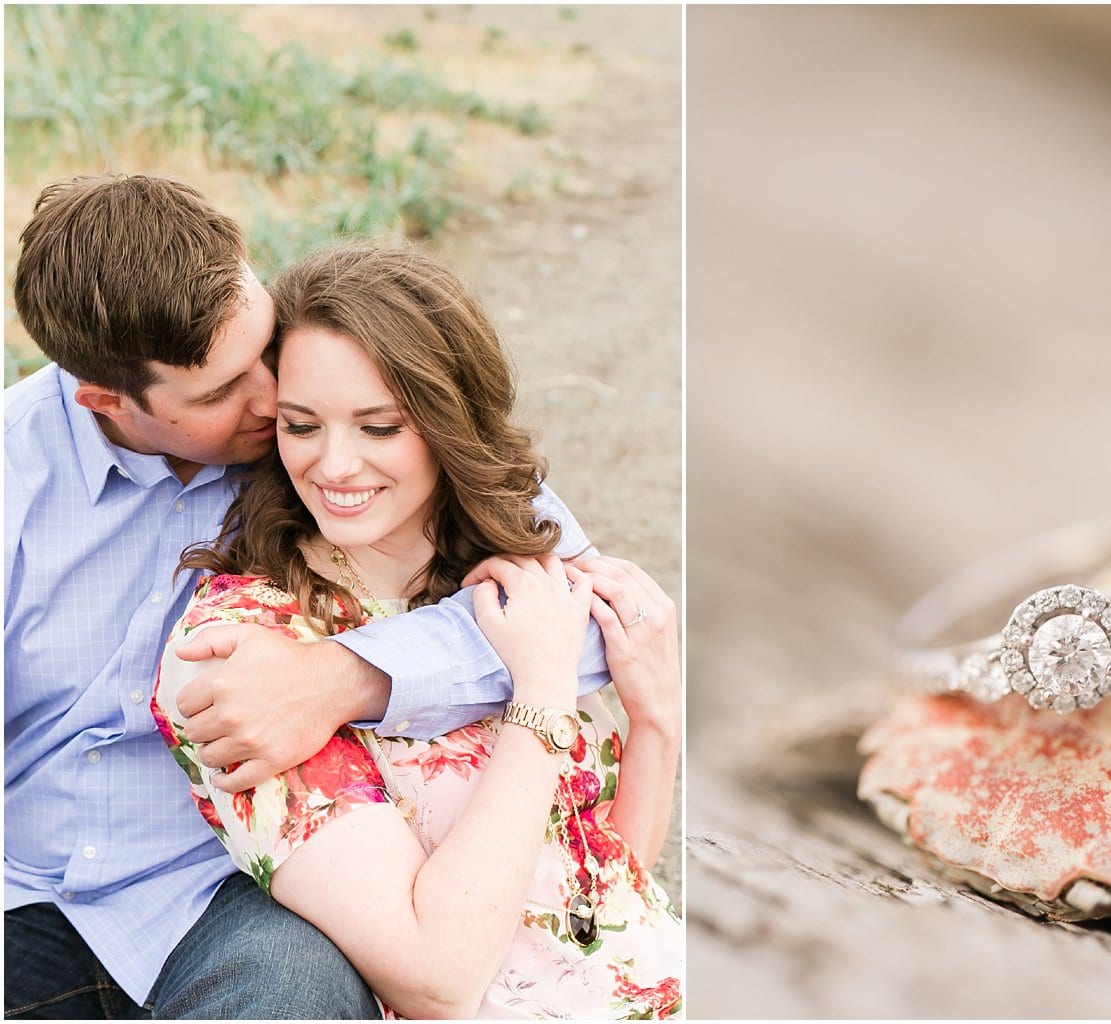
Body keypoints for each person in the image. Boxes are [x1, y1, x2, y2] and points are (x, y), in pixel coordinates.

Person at [1, 173, 614, 1018]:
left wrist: (346, 675)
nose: (270, 398)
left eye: (263, 348)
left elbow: (577, 603)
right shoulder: (13, 475)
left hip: (228, 890)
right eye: (220, 392)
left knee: (297, 992)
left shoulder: (325, 422)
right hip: (22, 891)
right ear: (106, 399)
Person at [152, 242, 680, 1017]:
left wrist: (657, 720)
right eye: (302, 426)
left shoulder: (519, 580)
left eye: (379, 427)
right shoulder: (242, 653)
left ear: (444, 422)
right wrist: (540, 690)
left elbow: (603, 896)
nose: (334, 465)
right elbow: (437, 980)